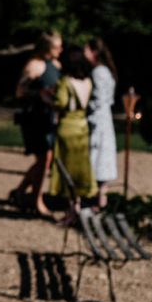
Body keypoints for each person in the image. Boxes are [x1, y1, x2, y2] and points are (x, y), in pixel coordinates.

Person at [10, 30, 63, 217]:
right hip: (35, 118)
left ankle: (20, 191)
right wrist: (39, 94)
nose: (61, 49)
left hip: (50, 118)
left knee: (45, 160)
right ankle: (36, 200)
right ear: (48, 47)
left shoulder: (56, 65)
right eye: (57, 46)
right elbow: (19, 91)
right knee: (45, 158)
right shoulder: (35, 65)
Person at [49, 46, 98, 225]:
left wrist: (49, 99)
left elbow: (61, 103)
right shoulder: (88, 82)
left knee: (67, 170)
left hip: (68, 127)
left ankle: (71, 209)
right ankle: (78, 206)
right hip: (83, 128)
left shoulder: (66, 82)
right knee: (80, 170)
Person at [84, 37, 118, 209]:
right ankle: (100, 200)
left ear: (94, 52)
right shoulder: (105, 70)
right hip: (104, 118)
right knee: (101, 157)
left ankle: (95, 200)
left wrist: (84, 108)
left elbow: (99, 98)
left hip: (98, 118)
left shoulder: (98, 72)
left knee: (97, 156)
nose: (84, 53)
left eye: (86, 50)